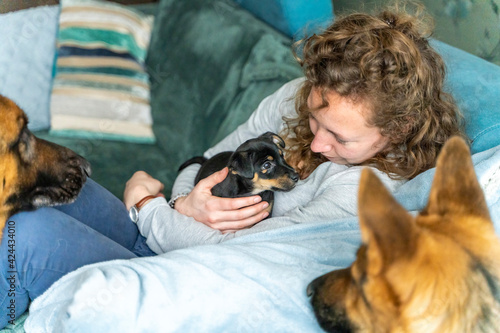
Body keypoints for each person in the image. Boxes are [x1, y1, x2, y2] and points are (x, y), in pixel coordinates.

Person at [0, 6, 464, 328]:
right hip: (170, 234)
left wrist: (147, 205)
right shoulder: (295, 97)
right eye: (315, 120)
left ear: (398, 130)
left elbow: (231, 259)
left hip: (179, 278)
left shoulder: (366, 191)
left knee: (28, 238)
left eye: (341, 138)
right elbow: (206, 159)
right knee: (54, 191)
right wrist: (185, 203)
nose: (319, 143)